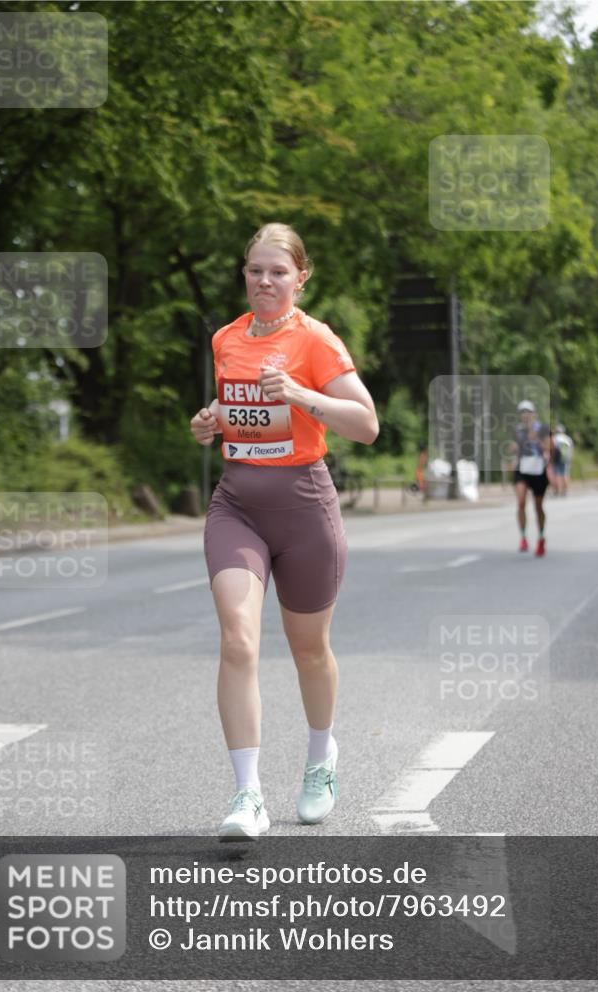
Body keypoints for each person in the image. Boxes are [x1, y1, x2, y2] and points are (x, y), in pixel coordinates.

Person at [189, 223, 379, 840]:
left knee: (308, 650)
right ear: (243, 273)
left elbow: (366, 424)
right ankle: (248, 796)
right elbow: (238, 411)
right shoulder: (225, 338)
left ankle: (321, 758)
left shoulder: (316, 339)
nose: (264, 281)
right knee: (239, 639)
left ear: (301, 276)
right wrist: (211, 421)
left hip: (304, 507)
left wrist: (299, 393)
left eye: (277, 271)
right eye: (254, 270)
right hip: (237, 503)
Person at [510, 400, 551, 557]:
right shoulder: (517, 430)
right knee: (521, 502)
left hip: (538, 469)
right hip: (522, 468)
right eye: (522, 412)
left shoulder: (542, 428)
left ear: (533, 413)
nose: (525, 415)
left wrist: (538, 441)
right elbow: (514, 446)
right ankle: (523, 537)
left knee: (538, 507)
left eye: (528, 411)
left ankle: (541, 538)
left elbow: (549, 448)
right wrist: (513, 448)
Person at [551, 424, 573, 495]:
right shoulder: (568, 439)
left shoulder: (555, 438)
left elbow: (553, 449)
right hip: (566, 459)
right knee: (565, 474)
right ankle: (565, 491)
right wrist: (570, 459)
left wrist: (552, 458)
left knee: (557, 475)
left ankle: (557, 491)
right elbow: (571, 450)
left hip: (557, 459)